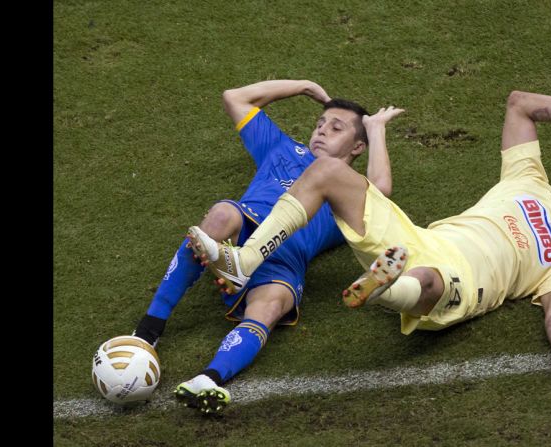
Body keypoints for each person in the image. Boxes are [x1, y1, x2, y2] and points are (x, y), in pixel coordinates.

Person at [187, 89, 551, 371]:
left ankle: (384, 290)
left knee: (426, 281)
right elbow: (519, 104)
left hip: (465, 280)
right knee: (327, 171)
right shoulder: (531, 181)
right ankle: (246, 261)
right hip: (420, 238)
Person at [131, 79, 404, 414]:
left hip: (285, 261)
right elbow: (235, 98)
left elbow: (381, 191)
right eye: (319, 124)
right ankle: (147, 332)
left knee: (273, 304)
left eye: (335, 128)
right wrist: (302, 86)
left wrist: (375, 129)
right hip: (243, 225)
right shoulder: (283, 148)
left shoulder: (344, 191)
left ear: (357, 147)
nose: (321, 131)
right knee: (219, 215)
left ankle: (210, 378)